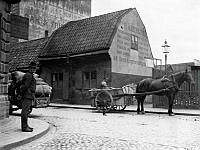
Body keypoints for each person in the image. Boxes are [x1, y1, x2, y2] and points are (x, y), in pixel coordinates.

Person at [20, 62, 37, 132]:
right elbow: (26, 86)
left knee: (26, 112)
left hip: (28, 95)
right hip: (27, 96)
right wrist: (22, 94)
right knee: (25, 111)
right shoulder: (29, 76)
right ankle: (24, 127)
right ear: (29, 68)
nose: (33, 70)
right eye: (32, 68)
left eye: (34, 68)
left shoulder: (30, 75)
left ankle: (26, 125)